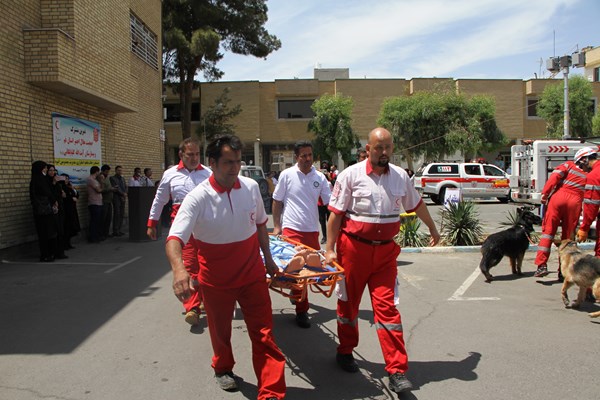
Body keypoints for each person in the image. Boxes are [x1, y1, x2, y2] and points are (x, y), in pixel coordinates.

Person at [165, 134, 286, 399]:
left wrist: (268, 258)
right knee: (221, 334)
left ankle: (272, 393)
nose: (235, 168)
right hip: (216, 282)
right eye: (228, 162)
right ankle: (223, 368)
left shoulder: (251, 188)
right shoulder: (197, 197)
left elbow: (260, 226)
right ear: (212, 162)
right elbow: (174, 238)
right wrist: (179, 269)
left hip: (252, 275)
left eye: (238, 162)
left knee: (264, 334)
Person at [324, 127, 440, 394]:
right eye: (378, 148)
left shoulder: (400, 177)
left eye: (388, 147)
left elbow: (417, 204)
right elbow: (335, 215)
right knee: (348, 306)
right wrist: (330, 249)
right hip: (353, 251)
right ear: (368, 149)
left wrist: (432, 228)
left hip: (385, 254)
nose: (384, 152)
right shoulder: (350, 175)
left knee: (388, 310)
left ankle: (397, 370)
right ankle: (345, 351)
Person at [147, 138, 211, 326]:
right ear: (181, 154)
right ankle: (192, 307)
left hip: (206, 226)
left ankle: (207, 300)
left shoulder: (208, 174)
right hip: (183, 228)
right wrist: (152, 223)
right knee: (189, 265)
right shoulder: (170, 175)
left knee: (206, 265)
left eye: (197, 154)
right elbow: (159, 200)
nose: (194, 158)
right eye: (190, 154)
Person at [272, 142, 332, 328]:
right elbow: (277, 201)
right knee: (295, 271)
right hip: (291, 229)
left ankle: (301, 310)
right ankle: (299, 301)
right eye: (303, 155)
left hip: (311, 232)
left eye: (310, 155)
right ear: (296, 157)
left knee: (306, 274)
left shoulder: (320, 178)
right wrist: (276, 227)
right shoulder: (287, 175)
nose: (307, 159)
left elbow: (331, 205)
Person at [533, 149, 587, 278]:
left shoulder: (568, 165)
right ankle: (563, 270)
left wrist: (545, 195)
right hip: (575, 202)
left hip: (558, 198)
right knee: (568, 237)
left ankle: (541, 265)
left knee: (548, 233)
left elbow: (553, 179)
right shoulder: (589, 174)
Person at [29, 161, 58, 262]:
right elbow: (46, 193)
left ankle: (48, 253)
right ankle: (46, 254)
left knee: (46, 233)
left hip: (42, 211)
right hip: (43, 211)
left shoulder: (38, 180)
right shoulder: (39, 180)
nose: (46, 170)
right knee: (45, 233)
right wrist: (53, 201)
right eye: (45, 168)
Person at [577, 147, 600, 253]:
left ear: (585, 160)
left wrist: (584, 228)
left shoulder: (594, 176)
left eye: (580, 165)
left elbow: (591, 205)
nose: (582, 169)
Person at [47, 165, 68, 259]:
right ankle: (53, 252)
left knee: (61, 231)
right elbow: (49, 194)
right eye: (50, 170)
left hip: (60, 208)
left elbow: (61, 194)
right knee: (54, 231)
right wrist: (54, 183)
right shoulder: (47, 182)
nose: (52, 172)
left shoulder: (58, 183)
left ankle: (60, 251)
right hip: (52, 210)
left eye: (54, 170)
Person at [59, 173, 80, 249]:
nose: (66, 180)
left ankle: (68, 243)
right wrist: (71, 198)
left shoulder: (69, 186)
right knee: (66, 227)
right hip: (66, 209)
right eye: (65, 178)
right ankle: (65, 244)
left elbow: (76, 194)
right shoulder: (61, 187)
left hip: (72, 209)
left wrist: (73, 189)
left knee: (71, 226)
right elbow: (64, 197)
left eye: (67, 178)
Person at [86, 166, 103, 243]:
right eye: (98, 172)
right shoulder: (91, 179)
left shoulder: (96, 180)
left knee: (98, 221)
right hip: (94, 202)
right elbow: (99, 190)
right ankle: (93, 237)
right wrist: (102, 181)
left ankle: (97, 236)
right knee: (94, 221)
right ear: (96, 172)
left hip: (98, 202)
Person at [99, 165, 116, 239]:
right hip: (104, 201)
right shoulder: (100, 178)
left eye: (108, 171)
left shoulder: (107, 178)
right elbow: (101, 190)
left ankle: (106, 233)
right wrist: (110, 189)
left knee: (108, 218)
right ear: (102, 171)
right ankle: (101, 234)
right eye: (106, 171)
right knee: (103, 218)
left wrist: (112, 189)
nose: (107, 173)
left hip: (109, 201)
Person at [110, 165, 127, 236]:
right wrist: (122, 194)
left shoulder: (122, 178)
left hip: (123, 198)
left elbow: (125, 186)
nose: (120, 171)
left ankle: (119, 229)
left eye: (121, 170)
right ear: (116, 171)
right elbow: (116, 188)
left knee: (121, 214)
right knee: (117, 214)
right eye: (118, 170)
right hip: (117, 198)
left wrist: (125, 193)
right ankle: (115, 230)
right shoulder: (112, 178)